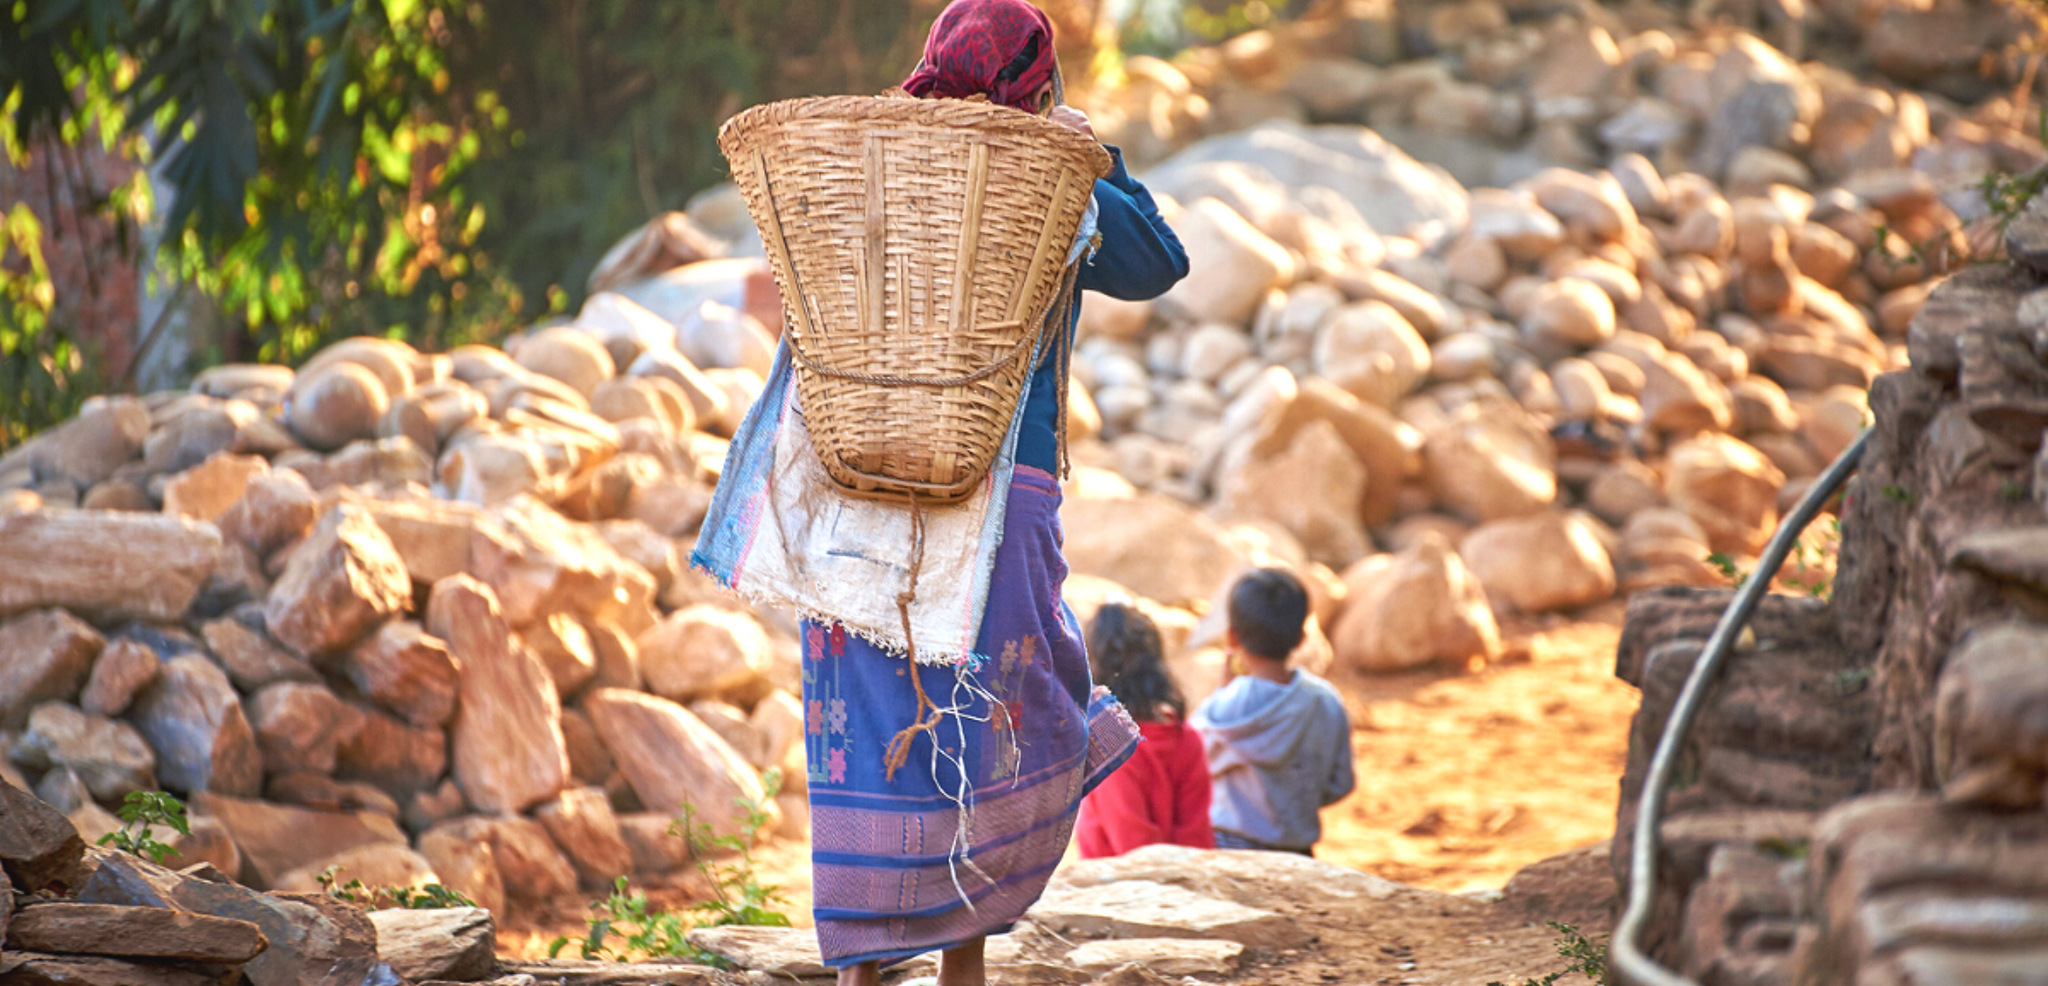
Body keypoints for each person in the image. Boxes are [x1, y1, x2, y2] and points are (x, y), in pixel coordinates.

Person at [794, 3, 1189, 984]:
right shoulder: (1044, 176)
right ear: (1038, 81)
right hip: (999, 485)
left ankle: (861, 964)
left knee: (876, 711)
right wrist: (1095, 153)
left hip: (859, 483)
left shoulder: (872, 155)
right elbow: (1159, 262)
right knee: (991, 711)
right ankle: (959, 965)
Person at [1191, 568, 1356, 856]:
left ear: (1232, 637)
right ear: (1302, 636)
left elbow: (1196, 765)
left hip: (1227, 847)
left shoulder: (1221, 708)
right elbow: (1340, 784)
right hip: (1296, 851)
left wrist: (1224, 691)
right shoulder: (1325, 701)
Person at [1074, 602, 1214, 858]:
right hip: (1190, 888)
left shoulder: (1112, 751)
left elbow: (1135, 854)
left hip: (1117, 893)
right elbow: (1198, 841)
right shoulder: (1187, 739)